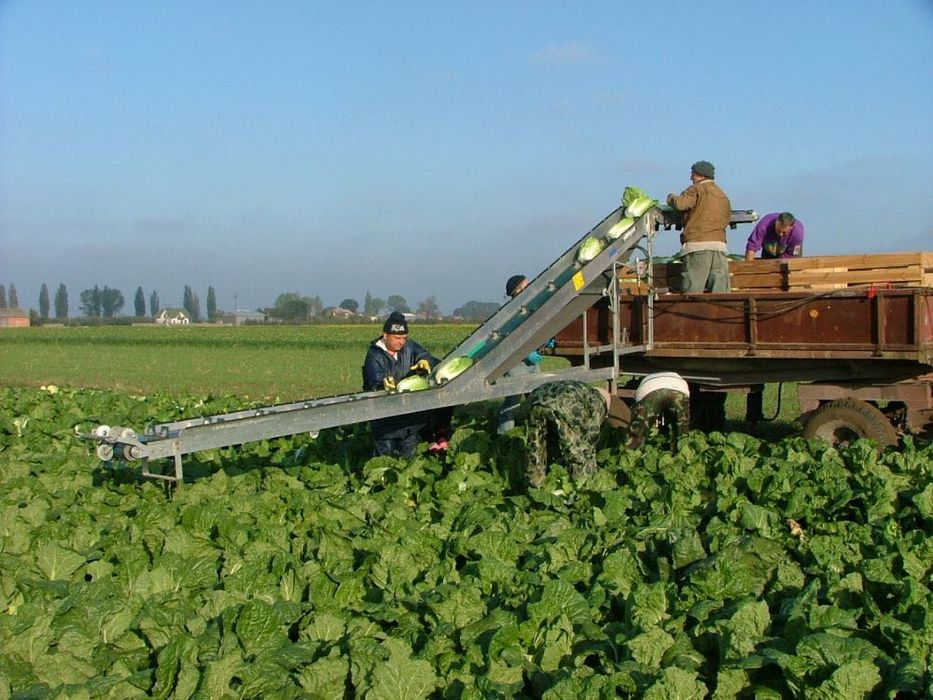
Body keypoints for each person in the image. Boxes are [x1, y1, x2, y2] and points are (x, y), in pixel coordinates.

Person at [362, 311, 444, 458]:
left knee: (408, 460)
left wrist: (425, 361)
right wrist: (383, 382)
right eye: (397, 338)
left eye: (404, 338)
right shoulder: (374, 355)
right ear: (385, 336)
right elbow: (373, 379)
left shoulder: (409, 347)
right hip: (385, 421)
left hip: (410, 420)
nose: (401, 342)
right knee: (383, 460)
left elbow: (424, 355)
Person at [524, 380, 610, 488]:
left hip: (536, 398)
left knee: (535, 445)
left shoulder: (584, 390)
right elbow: (591, 437)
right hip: (564, 403)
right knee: (580, 451)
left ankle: (534, 485)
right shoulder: (598, 402)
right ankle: (583, 489)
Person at [667, 160, 732, 293]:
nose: (691, 177)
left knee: (693, 289)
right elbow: (727, 217)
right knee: (720, 289)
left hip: (698, 245)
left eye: (693, 174)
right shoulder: (722, 194)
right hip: (719, 246)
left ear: (700, 175)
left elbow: (680, 204)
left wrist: (671, 198)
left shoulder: (697, 189)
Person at [497, 274, 543, 434]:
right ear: (518, 290)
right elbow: (510, 338)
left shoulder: (529, 307)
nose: (529, 288)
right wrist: (526, 352)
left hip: (531, 364)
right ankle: (504, 435)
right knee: (512, 401)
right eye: (525, 286)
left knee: (538, 398)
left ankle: (537, 431)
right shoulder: (512, 312)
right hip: (515, 363)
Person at [626, 372, 690, 450]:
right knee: (681, 432)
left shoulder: (641, 388)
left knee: (638, 430)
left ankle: (631, 453)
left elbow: (637, 415)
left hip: (650, 389)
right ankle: (681, 456)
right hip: (679, 387)